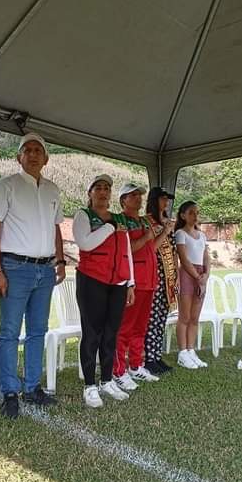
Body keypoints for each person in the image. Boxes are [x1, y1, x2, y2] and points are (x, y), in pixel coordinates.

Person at [0, 133, 66, 419]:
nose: (32, 154)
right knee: (9, 331)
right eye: (27, 150)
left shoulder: (53, 189)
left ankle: (32, 387)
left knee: (38, 330)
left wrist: (60, 261)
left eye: (38, 150)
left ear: (46, 158)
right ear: (18, 157)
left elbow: (56, 228)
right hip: (15, 268)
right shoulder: (6, 186)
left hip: (45, 269)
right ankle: (9, 390)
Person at [73, 174, 135, 407]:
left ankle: (107, 380)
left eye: (107, 188)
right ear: (90, 193)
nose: (103, 192)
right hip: (92, 280)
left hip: (117, 283)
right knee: (92, 334)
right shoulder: (83, 215)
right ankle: (90, 385)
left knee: (111, 334)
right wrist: (109, 227)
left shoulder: (119, 218)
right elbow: (85, 243)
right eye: (98, 188)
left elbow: (127, 251)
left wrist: (130, 283)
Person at [113, 183, 162, 389]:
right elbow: (125, 249)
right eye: (132, 195)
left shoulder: (143, 221)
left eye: (139, 195)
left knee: (140, 328)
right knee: (125, 328)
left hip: (149, 280)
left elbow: (151, 247)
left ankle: (136, 365)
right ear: (123, 200)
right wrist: (146, 237)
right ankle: (118, 371)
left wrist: (160, 233)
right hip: (133, 282)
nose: (138, 198)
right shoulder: (120, 220)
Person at [143, 186, 178, 374]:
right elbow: (150, 249)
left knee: (162, 317)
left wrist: (176, 274)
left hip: (168, 277)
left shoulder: (167, 221)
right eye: (163, 198)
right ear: (154, 200)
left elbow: (173, 250)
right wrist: (164, 232)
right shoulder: (147, 222)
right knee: (152, 317)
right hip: (154, 274)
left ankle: (157, 355)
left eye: (167, 199)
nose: (166, 202)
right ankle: (149, 358)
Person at [174, 200, 210, 369]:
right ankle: (182, 353)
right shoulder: (180, 233)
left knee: (195, 318)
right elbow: (184, 259)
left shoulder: (202, 235)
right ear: (183, 215)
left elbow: (206, 257)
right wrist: (197, 276)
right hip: (187, 275)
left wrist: (206, 275)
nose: (195, 216)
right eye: (191, 213)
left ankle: (191, 350)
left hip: (200, 275)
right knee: (185, 317)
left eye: (197, 213)